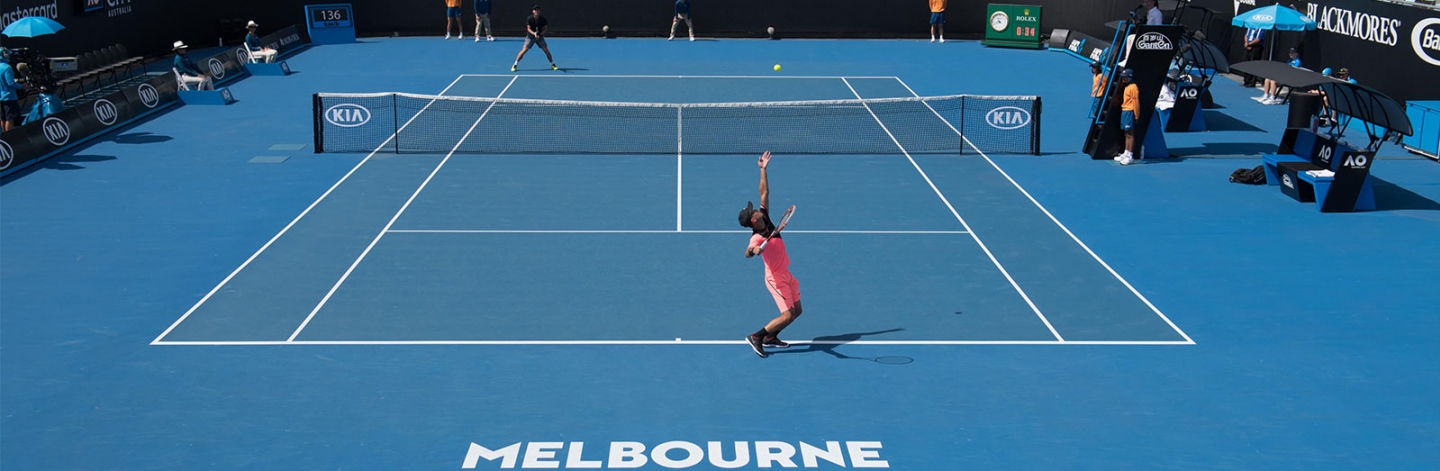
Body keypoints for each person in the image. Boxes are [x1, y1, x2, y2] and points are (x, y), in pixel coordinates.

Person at [739, 151, 801, 358]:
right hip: (775, 278)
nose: (755, 208)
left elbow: (763, 192)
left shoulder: (764, 217)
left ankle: (771, 337)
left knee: (797, 311)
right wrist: (754, 251)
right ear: (753, 221)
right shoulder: (756, 237)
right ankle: (757, 337)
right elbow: (747, 253)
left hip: (786, 273)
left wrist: (762, 169)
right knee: (788, 315)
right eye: (753, 211)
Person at [513, 5, 557, 72]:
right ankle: (515, 65)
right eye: (535, 10)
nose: (536, 11)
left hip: (540, 37)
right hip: (530, 37)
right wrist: (534, 34)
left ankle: (552, 64)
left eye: (538, 10)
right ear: (533, 11)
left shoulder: (543, 19)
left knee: (546, 50)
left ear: (539, 11)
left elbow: (545, 28)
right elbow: (528, 28)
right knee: (524, 50)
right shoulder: (529, 18)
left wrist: (540, 34)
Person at [1115, 69, 1139, 165]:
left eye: (1125, 76)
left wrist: (1136, 115)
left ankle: (1130, 155)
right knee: (1126, 134)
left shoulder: (1134, 87)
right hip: (1125, 111)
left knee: (1130, 134)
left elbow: (1136, 103)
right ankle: (1126, 152)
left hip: (1130, 112)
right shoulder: (1127, 87)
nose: (1123, 78)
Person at [0, 48, 21, 133]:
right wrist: (22, 86)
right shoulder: (7, 67)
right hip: (9, 97)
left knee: (2, 117)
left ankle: (4, 135)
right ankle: (9, 136)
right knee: (10, 118)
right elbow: (10, 83)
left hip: (1, 98)